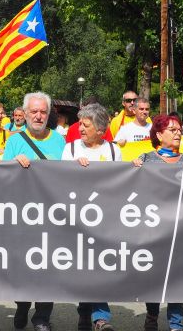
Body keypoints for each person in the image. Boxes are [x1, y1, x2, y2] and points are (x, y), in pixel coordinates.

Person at [2, 92, 65, 331]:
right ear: (25, 114)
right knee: (24, 266)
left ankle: (42, 317)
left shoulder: (60, 142)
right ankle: (22, 304)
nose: (38, 116)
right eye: (34, 112)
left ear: (48, 114)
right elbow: (4, 179)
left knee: (48, 268)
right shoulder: (14, 141)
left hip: (52, 217)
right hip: (23, 216)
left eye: (43, 112)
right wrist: (13, 163)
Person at [131, 114, 183, 331]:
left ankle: (176, 323)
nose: (178, 133)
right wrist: (132, 170)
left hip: (180, 229)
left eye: (180, 130)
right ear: (159, 135)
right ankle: (152, 315)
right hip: (154, 229)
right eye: (173, 130)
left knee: (178, 277)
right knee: (155, 276)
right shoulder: (146, 159)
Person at [60, 103, 119, 331]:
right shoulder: (71, 149)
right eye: (80, 124)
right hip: (77, 218)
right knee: (83, 269)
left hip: (105, 219)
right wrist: (73, 168)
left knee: (100, 268)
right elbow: (60, 180)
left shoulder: (114, 151)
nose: (81, 129)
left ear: (101, 129)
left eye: (86, 125)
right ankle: (85, 312)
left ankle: (101, 317)